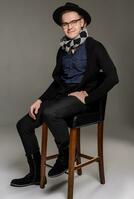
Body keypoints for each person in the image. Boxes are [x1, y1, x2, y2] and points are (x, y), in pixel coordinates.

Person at [10, 2, 119, 187]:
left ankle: (67, 154)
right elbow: (58, 82)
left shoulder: (94, 46)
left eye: (73, 22)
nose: (69, 26)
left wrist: (88, 97)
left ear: (82, 22)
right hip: (60, 98)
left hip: (82, 100)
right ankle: (36, 174)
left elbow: (112, 77)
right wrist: (40, 99)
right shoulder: (63, 50)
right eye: (65, 23)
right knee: (23, 125)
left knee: (50, 113)